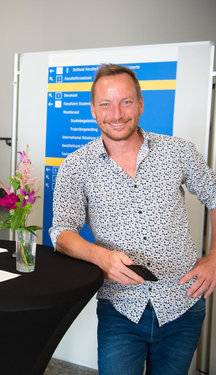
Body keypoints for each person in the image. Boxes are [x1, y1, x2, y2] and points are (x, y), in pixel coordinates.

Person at [49, 64, 216, 375]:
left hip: (183, 303)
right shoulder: (75, 166)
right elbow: (61, 232)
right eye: (106, 104)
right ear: (93, 109)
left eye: (126, 101)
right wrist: (101, 257)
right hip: (120, 309)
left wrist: (215, 257)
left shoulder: (178, 151)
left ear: (140, 104)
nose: (116, 113)